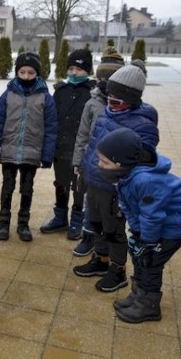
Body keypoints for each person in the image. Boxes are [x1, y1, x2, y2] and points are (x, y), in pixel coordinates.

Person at [96, 128, 181, 323]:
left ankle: (149, 306)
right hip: (161, 219)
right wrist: (137, 234)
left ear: (120, 163)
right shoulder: (125, 175)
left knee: (151, 261)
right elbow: (130, 207)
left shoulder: (145, 180)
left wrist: (148, 242)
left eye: (104, 162)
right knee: (139, 256)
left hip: (180, 222)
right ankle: (138, 296)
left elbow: (152, 216)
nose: (99, 165)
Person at [73, 65, 159, 293]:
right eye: (109, 97)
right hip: (94, 182)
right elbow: (93, 145)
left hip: (115, 188)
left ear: (131, 99)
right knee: (96, 223)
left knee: (114, 231)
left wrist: (123, 188)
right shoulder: (104, 114)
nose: (111, 102)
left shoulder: (143, 125)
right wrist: (84, 169)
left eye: (117, 100)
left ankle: (117, 269)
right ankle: (100, 260)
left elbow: (141, 161)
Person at [0, 52, 57, 241]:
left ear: (38, 74)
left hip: (32, 152)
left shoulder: (45, 98)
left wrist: (47, 154)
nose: (26, 77)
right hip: (9, 149)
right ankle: (3, 222)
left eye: (31, 73)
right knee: (7, 187)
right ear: (17, 72)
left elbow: (51, 128)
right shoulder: (8, 95)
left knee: (27, 188)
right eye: (22, 72)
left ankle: (23, 223)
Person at [71, 46, 125, 256]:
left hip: (114, 169)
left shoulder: (125, 105)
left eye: (111, 78)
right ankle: (88, 237)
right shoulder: (92, 103)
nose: (106, 82)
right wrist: (78, 162)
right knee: (90, 203)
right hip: (92, 164)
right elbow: (83, 135)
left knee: (111, 209)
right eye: (102, 78)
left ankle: (109, 246)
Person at [40, 48, 96, 238]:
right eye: (71, 68)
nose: (73, 73)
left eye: (79, 69)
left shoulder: (92, 93)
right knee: (61, 183)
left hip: (81, 149)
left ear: (87, 70)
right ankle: (60, 217)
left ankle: (77, 219)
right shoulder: (60, 91)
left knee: (80, 186)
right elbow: (51, 119)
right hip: (60, 148)